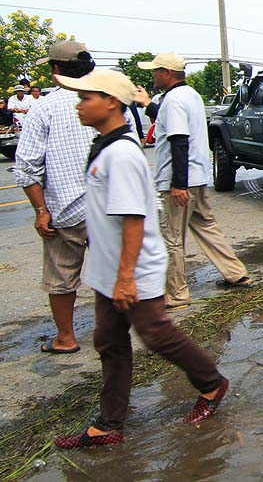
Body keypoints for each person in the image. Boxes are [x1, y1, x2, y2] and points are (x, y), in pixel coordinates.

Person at [51, 69, 228, 449]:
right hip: (109, 269)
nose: (79, 105)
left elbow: (134, 217)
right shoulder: (104, 147)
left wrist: (127, 277)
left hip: (131, 269)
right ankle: (109, 423)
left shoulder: (122, 154)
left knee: (156, 334)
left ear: (111, 102)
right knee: (109, 341)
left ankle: (211, 384)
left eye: (87, 98)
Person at [133, 53, 251, 311]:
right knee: (206, 227)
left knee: (172, 239)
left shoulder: (174, 100)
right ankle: (235, 272)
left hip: (180, 180)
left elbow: (178, 141)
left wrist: (178, 185)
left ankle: (176, 295)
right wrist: (147, 105)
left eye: (155, 71)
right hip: (196, 177)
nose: (152, 76)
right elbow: (170, 123)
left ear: (166, 72)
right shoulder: (190, 95)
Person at [13, 41, 98, 354]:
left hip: (66, 210)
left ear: (56, 69)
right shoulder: (108, 100)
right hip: (108, 208)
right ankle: (116, 332)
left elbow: (26, 168)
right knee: (113, 271)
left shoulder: (44, 108)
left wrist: (41, 211)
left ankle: (66, 338)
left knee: (61, 276)